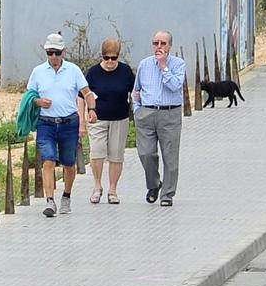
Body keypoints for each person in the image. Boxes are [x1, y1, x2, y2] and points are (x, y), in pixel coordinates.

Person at [27, 31, 94, 217]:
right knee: (48, 159)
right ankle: (50, 201)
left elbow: (87, 92)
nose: (54, 57)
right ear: (46, 52)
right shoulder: (38, 72)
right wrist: (39, 102)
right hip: (45, 123)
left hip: (68, 123)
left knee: (69, 163)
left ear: (64, 52)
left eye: (57, 52)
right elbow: (29, 97)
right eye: (50, 53)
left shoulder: (73, 70)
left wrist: (92, 109)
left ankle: (66, 195)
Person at [132, 31, 186, 206]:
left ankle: (167, 194)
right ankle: (154, 184)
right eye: (156, 43)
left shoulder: (178, 64)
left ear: (170, 46)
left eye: (163, 43)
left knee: (170, 157)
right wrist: (137, 109)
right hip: (146, 114)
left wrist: (164, 66)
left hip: (170, 114)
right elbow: (136, 89)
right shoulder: (144, 64)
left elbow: (175, 86)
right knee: (146, 153)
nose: (159, 47)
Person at [84, 38, 136, 203]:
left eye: (113, 58)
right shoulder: (93, 72)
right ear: (102, 56)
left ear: (118, 56)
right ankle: (97, 186)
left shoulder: (125, 71)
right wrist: (84, 115)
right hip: (97, 118)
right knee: (97, 151)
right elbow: (83, 94)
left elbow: (135, 92)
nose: (110, 61)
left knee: (116, 154)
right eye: (106, 58)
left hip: (120, 118)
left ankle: (112, 189)